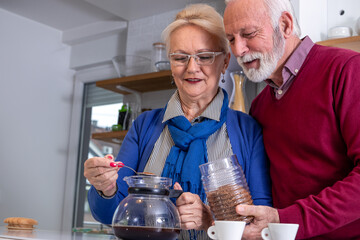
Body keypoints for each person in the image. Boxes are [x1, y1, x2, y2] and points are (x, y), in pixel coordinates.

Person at [84, 3, 272, 240]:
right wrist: (104, 186)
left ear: (224, 62)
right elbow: (112, 214)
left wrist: (208, 220)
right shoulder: (145, 125)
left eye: (204, 56)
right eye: (180, 57)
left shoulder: (248, 130)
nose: (192, 68)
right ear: (171, 65)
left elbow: (260, 222)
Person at [223, 0, 360, 239]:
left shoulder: (347, 70)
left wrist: (285, 220)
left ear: (285, 25)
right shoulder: (260, 106)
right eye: (231, 39)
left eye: (248, 34)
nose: (238, 50)